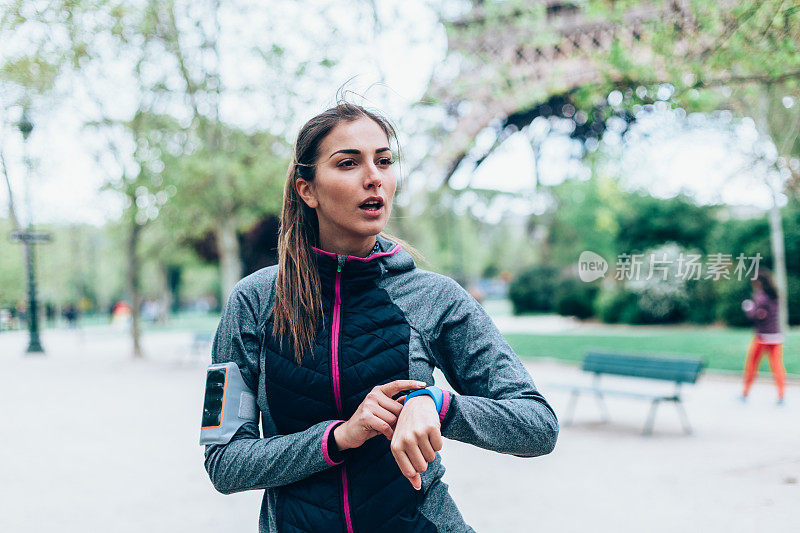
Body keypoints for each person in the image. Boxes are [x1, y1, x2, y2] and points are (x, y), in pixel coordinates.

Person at [201, 98, 559, 532]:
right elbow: (224, 461)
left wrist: (438, 404)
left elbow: (538, 425)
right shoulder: (252, 304)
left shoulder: (436, 298)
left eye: (384, 161)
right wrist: (337, 438)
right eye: (349, 163)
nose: (374, 177)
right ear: (307, 189)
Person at [741, 269, 786, 404]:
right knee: (777, 367)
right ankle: (781, 395)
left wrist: (748, 307)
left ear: (759, 282)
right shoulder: (774, 295)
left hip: (762, 337)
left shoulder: (761, 297)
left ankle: (745, 393)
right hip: (776, 337)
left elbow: (756, 315)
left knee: (752, 365)